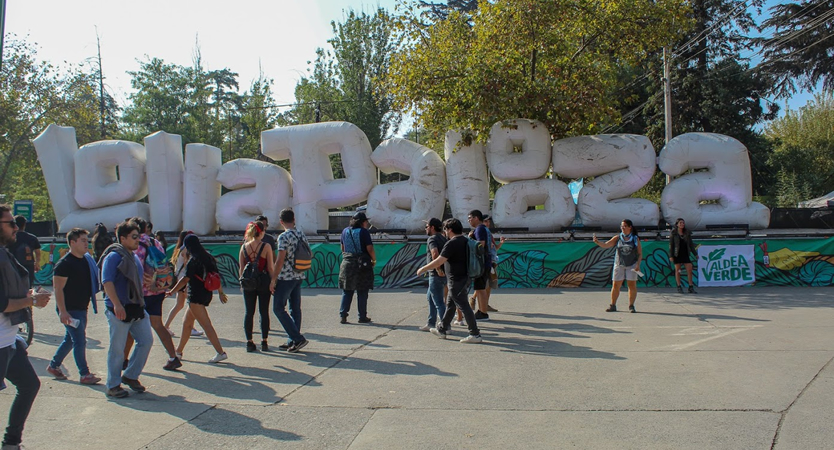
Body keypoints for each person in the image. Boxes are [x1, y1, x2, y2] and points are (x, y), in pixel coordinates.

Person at [0, 204, 51, 449]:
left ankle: (11, 443)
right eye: (10, 224)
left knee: (30, 385)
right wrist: (31, 301)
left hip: (8, 340)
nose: (16, 229)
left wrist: (28, 294)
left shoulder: (5, 252)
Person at [100, 221, 154, 398]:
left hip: (136, 308)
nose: (138, 239)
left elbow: (136, 279)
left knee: (146, 341)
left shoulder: (133, 256)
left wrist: (148, 281)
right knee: (117, 348)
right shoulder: (114, 256)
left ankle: (131, 375)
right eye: (134, 236)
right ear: (122, 238)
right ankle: (113, 385)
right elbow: (107, 281)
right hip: (119, 309)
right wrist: (116, 304)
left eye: (138, 236)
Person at [46, 228, 103, 384]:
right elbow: (58, 289)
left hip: (81, 307)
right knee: (79, 340)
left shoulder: (86, 260)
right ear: (72, 242)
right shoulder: (64, 264)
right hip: (70, 309)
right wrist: (63, 312)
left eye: (87, 240)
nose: (87, 243)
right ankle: (85, 374)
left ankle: (54, 365)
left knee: (70, 340)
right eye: (83, 240)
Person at [416, 218, 482, 343]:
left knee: (464, 306)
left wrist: (423, 268)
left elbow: (440, 260)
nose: (444, 232)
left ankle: (475, 334)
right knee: (450, 305)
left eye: (445, 229)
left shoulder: (452, 243)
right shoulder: (466, 240)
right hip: (464, 277)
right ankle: (442, 328)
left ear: (450, 230)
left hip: (456, 279)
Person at [131, 217, 181, 371]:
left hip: (142, 293)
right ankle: (173, 357)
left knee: (130, 327)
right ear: (146, 228)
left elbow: (134, 269)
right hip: (158, 289)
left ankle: (124, 361)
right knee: (158, 325)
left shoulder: (136, 245)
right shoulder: (155, 242)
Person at [168, 234, 227, 363]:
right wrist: (221, 293)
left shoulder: (193, 260)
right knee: (187, 323)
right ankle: (178, 352)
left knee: (206, 325)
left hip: (195, 295)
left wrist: (172, 291)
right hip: (206, 293)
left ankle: (220, 352)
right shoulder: (208, 258)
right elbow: (216, 276)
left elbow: (185, 279)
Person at [271, 208, 309, 352]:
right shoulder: (301, 234)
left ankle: (297, 338)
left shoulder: (283, 237)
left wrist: (273, 279)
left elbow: (280, 259)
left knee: (278, 308)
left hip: (286, 277)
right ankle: (293, 340)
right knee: (295, 309)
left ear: (281, 222)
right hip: (299, 274)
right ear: (294, 219)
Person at [238, 221, 274, 352]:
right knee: (264, 311)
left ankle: (249, 342)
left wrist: (241, 283)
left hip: (248, 282)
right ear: (262, 232)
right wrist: (273, 281)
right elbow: (270, 267)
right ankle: (264, 341)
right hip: (263, 281)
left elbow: (241, 268)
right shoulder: (266, 246)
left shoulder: (243, 247)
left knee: (249, 312)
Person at [593, 219, 643, 313]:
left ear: (630, 227)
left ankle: (631, 305)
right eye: (621, 226)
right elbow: (606, 245)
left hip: (631, 264)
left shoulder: (635, 238)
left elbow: (640, 253)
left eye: (624, 226)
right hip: (619, 264)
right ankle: (613, 305)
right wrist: (597, 242)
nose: (623, 228)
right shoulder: (617, 238)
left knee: (631, 285)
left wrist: (638, 265)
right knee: (616, 285)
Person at [164, 230, 203, 337]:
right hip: (184, 280)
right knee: (191, 304)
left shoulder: (179, 248)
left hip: (180, 279)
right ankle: (189, 327)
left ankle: (167, 326)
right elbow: (187, 265)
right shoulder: (186, 249)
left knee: (180, 305)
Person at [338, 212, 376, 324]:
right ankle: (362, 316)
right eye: (366, 221)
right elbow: (369, 248)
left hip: (347, 263)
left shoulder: (345, 231)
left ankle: (343, 315)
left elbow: (343, 247)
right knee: (362, 291)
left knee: (347, 291)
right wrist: (373, 260)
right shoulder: (363, 232)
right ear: (362, 222)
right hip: (361, 265)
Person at [421, 217, 447, 332]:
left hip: (436, 274)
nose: (425, 229)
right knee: (431, 297)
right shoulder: (443, 238)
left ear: (432, 227)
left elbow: (434, 253)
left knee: (439, 302)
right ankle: (431, 322)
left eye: (427, 226)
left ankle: (445, 326)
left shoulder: (432, 239)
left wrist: (437, 268)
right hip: (443, 273)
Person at [466, 210, 491, 321]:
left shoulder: (480, 229)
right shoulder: (485, 229)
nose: (469, 220)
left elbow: (481, 245)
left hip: (481, 263)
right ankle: (482, 311)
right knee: (481, 288)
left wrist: (470, 239)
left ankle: (483, 312)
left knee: (480, 288)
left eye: (470, 218)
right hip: (486, 261)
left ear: (477, 218)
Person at [7, 216, 42, 288]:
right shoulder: (32, 237)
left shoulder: (11, 237)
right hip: (28, 265)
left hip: (13, 265)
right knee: (28, 287)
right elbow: (38, 252)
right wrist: (37, 263)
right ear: (24, 225)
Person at [669, 218, 698, 294]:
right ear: (677, 224)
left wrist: (695, 254)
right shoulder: (674, 233)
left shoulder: (687, 233)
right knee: (678, 271)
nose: (682, 224)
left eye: (683, 223)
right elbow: (671, 245)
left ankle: (690, 286)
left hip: (685, 253)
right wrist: (671, 255)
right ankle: (679, 286)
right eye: (680, 223)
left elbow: (691, 244)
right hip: (677, 254)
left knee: (689, 269)